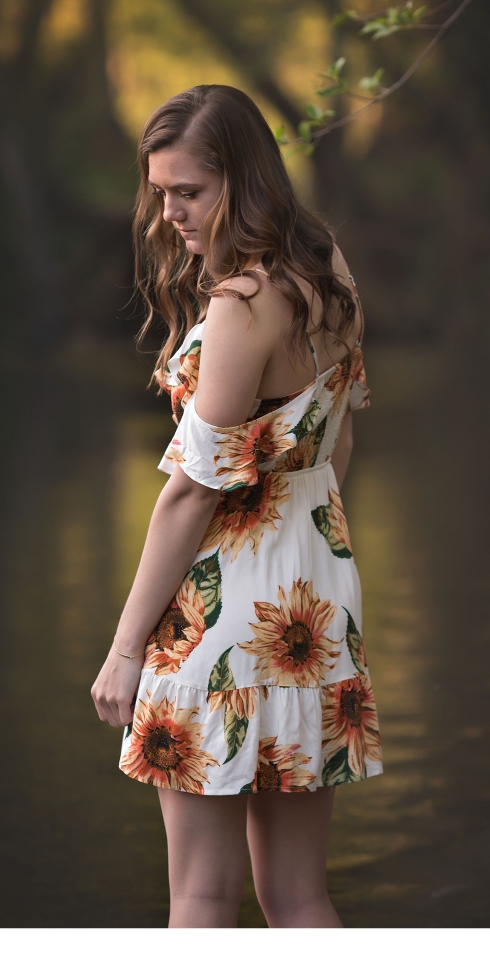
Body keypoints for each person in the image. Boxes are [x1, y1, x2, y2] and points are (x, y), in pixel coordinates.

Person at [91, 84, 383, 928]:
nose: (170, 210)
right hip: (314, 602)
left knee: (202, 896)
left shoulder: (241, 304)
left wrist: (124, 649)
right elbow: (340, 445)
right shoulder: (327, 268)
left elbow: (190, 490)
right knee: (300, 896)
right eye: (161, 191)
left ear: (245, 180)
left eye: (191, 191)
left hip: (224, 617)